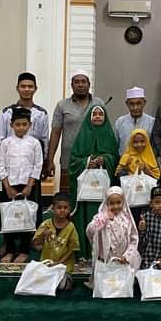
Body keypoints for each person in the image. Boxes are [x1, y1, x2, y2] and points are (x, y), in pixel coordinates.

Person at [68, 105, 118, 260]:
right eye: (94, 114)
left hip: (102, 189)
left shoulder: (109, 135)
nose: (97, 117)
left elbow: (115, 159)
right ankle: (84, 252)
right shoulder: (82, 136)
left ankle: (103, 252)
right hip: (85, 191)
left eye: (100, 114)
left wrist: (106, 159)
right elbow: (73, 161)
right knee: (84, 219)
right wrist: (87, 162)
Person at [0, 107, 43, 264]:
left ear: (30, 125)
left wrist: (30, 185)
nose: (21, 127)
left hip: (28, 185)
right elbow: (1, 165)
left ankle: (24, 251)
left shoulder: (35, 143)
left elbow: (37, 165)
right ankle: (10, 250)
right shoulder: (5, 143)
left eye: (24, 124)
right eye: (18, 124)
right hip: (9, 185)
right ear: (11, 125)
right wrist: (7, 186)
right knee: (9, 217)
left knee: (26, 218)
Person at [48, 70, 105, 192]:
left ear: (89, 84)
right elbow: (55, 133)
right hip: (69, 161)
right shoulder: (62, 105)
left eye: (83, 82)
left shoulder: (99, 103)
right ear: (71, 85)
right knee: (68, 196)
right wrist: (50, 159)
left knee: (92, 195)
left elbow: (105, 131)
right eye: (77, 82)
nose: (80, 85)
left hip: (94, 159)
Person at [86, 186, 141, 288]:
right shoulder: (101, 217)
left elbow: (134, 239)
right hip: (108, 259)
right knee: (108, 285)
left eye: (118, 202)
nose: (115, 206)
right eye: (111, 203)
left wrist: (127, 256)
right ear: (106, 203)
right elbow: (90, 231)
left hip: (124, 258)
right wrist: (104, 218)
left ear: (123, 202)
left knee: (123, 284)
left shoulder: (127, 219)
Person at [32, 192, 80, 291]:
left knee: (63, 286)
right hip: (46, 265)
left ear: (69, 209)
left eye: (65, 208)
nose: (62, 210)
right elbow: (36, 245)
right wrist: (43, 235)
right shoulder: (46, 224)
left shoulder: (71, 227)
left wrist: (59, 263)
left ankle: (60, 280)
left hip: (63, 266)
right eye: (59, 207)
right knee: (34, 280)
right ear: (53, 208)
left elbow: (72, 250)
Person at [0, 72, 49, 158]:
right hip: (10, 159)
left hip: (33, 159)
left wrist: (45, 159)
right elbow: (0, 139)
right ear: (17, 88)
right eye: (23, 86)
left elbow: (44, 139)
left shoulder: (41, 113)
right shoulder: (6, 112)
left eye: (30, 86)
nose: (26, 89)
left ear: (35, 89)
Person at [115, 128, 160, 220]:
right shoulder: (126, 156)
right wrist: (126, 168)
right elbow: (118, 177)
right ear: (131, 143)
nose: (139, 144)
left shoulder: (150, 156)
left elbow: (156, 177)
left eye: (142, 141)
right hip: (131, 198)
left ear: (147, 142)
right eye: (135, 142)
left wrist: (146, 169)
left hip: (147, 199)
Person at [114, 86, 155, 155]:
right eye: (132, 104)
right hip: (124, 160)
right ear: (127, 104)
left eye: (139, 103)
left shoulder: (152, 122)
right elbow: (114, 146)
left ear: (144, 103)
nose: (135, 107)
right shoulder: (120, 122)